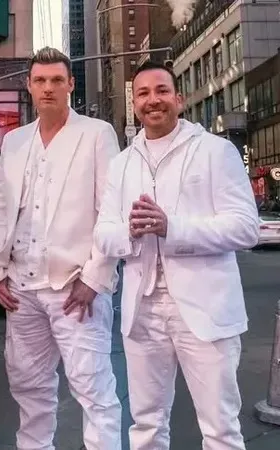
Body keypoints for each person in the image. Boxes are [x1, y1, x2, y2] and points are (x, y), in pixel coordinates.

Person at [94, 60, 259, 450]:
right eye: (143, 93)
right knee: (146, 425)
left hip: (205, 309)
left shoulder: (215, 151)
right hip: (142, 309)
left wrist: (173, 227)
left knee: (220, 429)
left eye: (162, 91)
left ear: (179, 99)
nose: (153, 100)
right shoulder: (122, 163)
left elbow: (245, 228)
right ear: (135, 104)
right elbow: (103, 234)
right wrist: (130, 232)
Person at [0, 47, 122, 450]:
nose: (48, 88)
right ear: (28, 85)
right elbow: (2, 207)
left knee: (93, 390)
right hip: (21, 288)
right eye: (40, 80)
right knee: (29, 387)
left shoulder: (96, 134)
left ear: (70, 85)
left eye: (57, 80)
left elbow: (111, 211)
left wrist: (95, 278)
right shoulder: (15, 141)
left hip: (74, 286)